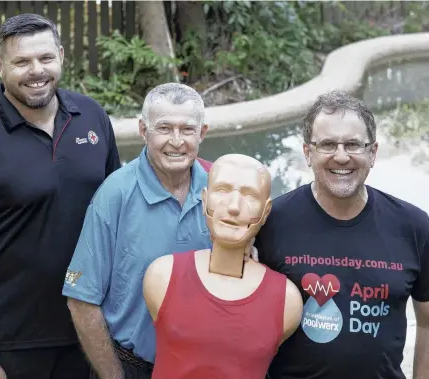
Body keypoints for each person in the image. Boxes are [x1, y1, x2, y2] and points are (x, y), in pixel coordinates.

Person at [62, 83, 255, 379]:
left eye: (187, 130)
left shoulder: (224, 193)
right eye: (164, 128)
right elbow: (81, 301)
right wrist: (114, 377)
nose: (176, 141)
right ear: (143, 130)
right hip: (133, 365)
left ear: (202, 133)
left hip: (210, 366)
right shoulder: (114, 195)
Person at [0, 14, 120, 379]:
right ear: (0, 66)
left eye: (45, 58)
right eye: (22, 61)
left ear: (62, 56)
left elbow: (121, 211)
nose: (36, 71)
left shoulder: (91, 117)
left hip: (91, 328)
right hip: (16, 343)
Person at [255, 90, 429, 379]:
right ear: (307, 153)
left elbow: (426, 323)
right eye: (327, 144)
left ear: (372, 153)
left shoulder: (414, 227)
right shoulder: (270, 222)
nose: (341, 156)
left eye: (353, 144)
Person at [143, 154, 303, 379]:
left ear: (265, 212)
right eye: (223, 190)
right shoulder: (162, 276)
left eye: (250, 195)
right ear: (205, 199)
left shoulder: (287, 301)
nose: (234, 207)